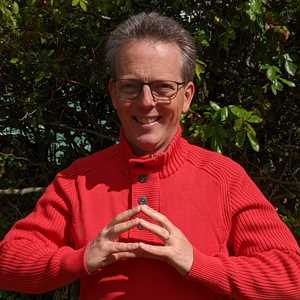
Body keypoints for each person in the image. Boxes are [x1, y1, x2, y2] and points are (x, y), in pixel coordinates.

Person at [0, 12, 299, 300]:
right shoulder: (78, 180)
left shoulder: (224, 178)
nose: (146, 102)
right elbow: (8, 261)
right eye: (131, 87)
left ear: (187, 97)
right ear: (113, 93)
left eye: (162, 88)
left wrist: (197, 263)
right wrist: (82, 258)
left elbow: (292, 277)